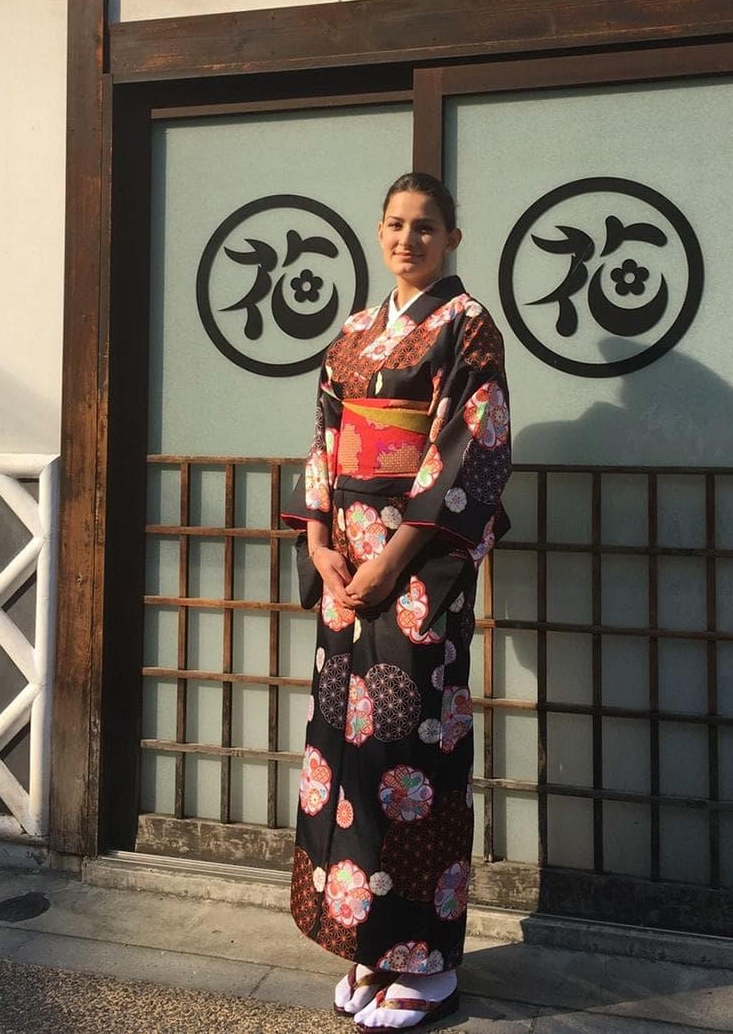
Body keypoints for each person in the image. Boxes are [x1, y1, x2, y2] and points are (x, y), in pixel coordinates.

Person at [282, 172, 511, 1030]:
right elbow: (323, 444)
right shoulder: (352, 335)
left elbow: (468, 449)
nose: (407, 238)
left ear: (452, 237)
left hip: (416, 576)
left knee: (413, 755)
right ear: (378, 233)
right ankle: (367, 943)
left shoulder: (466, 328)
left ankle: (427, 960)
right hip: (347, 566)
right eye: (394, 224)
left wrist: (397, 559)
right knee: (344, 750)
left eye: (425, 226)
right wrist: (317, 544)